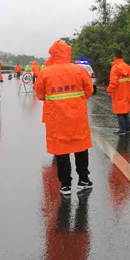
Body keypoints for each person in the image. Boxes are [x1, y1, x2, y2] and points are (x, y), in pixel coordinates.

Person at [35, 40, 94, 196]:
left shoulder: (45, 72)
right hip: (77, 117)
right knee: (81, 147)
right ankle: (83, 179)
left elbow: (40, 94)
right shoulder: (79, 71)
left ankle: (65, 185)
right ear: (68, 53)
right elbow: (88, 91)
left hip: (56, 119)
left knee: (61, 151)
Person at [107, 49, 130, 135]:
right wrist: (129, 89)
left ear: (115, 57)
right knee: (125, 110)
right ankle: (127, 127)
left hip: (118, 92)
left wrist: (109, 90)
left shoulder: (114, 68)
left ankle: (122, 129)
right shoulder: (128, 67)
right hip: (126, 91)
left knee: (119, 111)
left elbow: (114, 82)